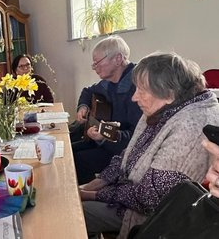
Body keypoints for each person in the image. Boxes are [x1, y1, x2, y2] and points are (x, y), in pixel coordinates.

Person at [79, 52, 219, 239]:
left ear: (169, 93)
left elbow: (149, 199)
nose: (134, 97)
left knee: (72, 213)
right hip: (127, 193)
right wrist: (93, 184)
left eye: (142, 90)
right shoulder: (164, 106)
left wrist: (91, 195)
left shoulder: (189, 126)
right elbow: (127, 155)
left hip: (148, 216)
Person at [72, 35, 142, 184]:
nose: (94, 68)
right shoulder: (108, 82)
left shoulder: (138, 89)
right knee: (69, 150)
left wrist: (104, 136)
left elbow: (137, 137)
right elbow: (87, 91)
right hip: (106, 139)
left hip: (123, 152)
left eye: (97, 63)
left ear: (117, 59)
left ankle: (83, 200)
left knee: (79, 160)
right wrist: (83, 106)